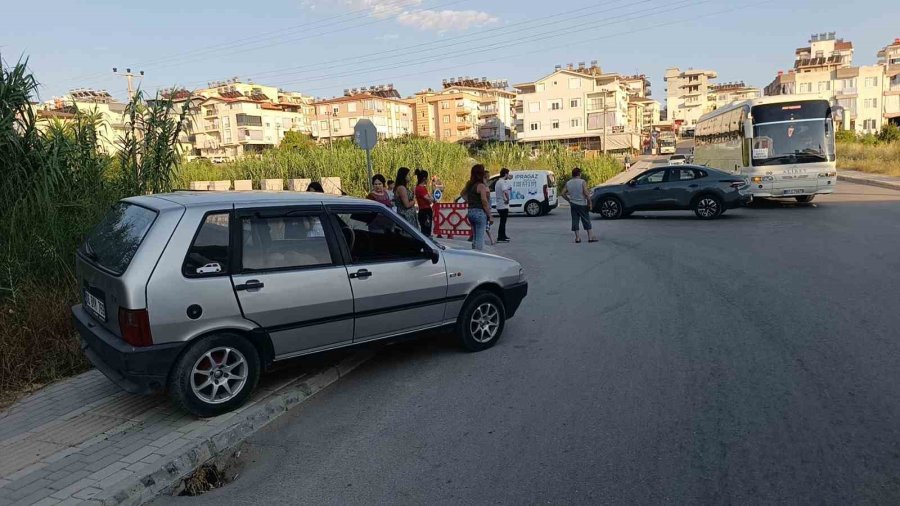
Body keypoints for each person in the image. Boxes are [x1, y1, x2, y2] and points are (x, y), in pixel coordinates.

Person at [460, 164, 493, 251]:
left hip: (470, 211)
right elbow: (484, 201)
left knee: (475, 237)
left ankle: (474, 253)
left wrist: (470, 201)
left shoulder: (469, 184)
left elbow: (462, 193)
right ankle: (479, 255)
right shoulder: (481, 186)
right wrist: (490, 215)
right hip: (479, 212)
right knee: (480, 238)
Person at [561, 167, 596, 244]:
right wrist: (590, 203)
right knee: (586, 220)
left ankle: (577, 238)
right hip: (582, 204)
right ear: (579, 174)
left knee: (575, 220)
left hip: (573, 204)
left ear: (572, 174)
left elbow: (562, 193)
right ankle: (590, 237)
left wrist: (569, 200)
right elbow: (586, 193)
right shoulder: (582, 182)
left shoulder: (568, 183)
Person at [413, 169, 434, 236]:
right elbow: (430, 200)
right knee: (426, 231)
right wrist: (432, 199)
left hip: (423, 210)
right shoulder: (421, 188)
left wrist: (431, 198)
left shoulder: (421, 188)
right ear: (424, 178)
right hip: (425, 211)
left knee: (425, 230)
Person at [494, 168, 512, 242]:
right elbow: (505, 191)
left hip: (499, 204)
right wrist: (507, 199)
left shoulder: (498, 182)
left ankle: (503, 235)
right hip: (503, 205)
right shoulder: (502, 182)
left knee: (503, 222)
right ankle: (500, 237)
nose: (508, 175)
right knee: (503, 222)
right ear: (505, 174)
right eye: (508, 174)